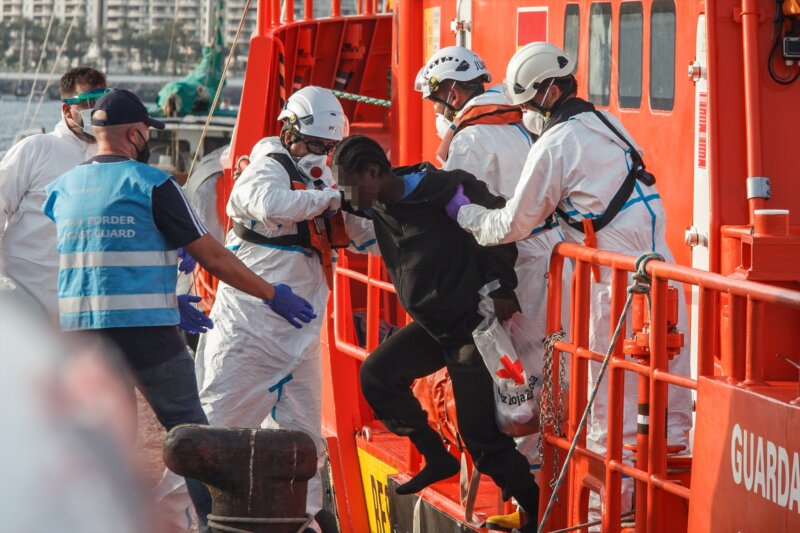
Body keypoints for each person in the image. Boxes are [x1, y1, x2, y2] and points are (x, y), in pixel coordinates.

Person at [43, 88, 317, 532]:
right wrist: (272, 294)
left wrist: (167, 295)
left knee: (106, 439)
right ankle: (214, 524)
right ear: (135, 134)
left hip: (80, 335)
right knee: (193, 436)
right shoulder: (152, 184)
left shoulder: (62, 189)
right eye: (146, 132)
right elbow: (214, 257)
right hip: (147, 330)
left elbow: (98, 254)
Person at [446, 42, 693, 524]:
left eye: (528, 105)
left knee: (606, 404)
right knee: (669, 398)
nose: (526, 117)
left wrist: (466, 214)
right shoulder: (608, 126)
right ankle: (669, 497)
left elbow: (512, 225)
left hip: (613, 287)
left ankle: (607, 515)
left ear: (550, 93)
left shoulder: (556, 145)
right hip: (661, 275)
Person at [332, 134, 541, 533]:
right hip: (433, 327)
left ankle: (538, 509)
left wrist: (502, 286)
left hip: (469, 329)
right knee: (377, 374)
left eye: (348, 184)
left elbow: (498, 228)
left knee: (481, 439)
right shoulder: (376, 201)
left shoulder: (447, 189)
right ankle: (435, 455)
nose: (346, 195)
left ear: (374, 172)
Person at [194, 86, 377, 533]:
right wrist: (331, 199)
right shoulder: (266, 169)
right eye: (316, 146)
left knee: (304, 441)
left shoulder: (321, 180)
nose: (322, 155)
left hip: (299, 336)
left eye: (329, 148)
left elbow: (360, 236)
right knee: (214, 434)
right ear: (289, 132)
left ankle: (304, 521)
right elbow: (270, 205)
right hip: (248, 332)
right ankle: (186, 519)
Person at [415, 45, 570, 531]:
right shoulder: (523, 123)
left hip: (512, 268)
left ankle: (531, 502)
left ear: (456, 92)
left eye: (439, 99)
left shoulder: (469, 142)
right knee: (551, 369)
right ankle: (548, 487)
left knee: (517, 384)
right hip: (552, 257)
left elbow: (463, 218)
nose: (439, 109)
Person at [0, 67, 108, 317]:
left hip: (77, 307)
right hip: (21, 296)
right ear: (66, 109)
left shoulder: (111, 159)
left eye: (102, 100)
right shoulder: (36, 148)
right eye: (87, 103)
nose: (96, 109)